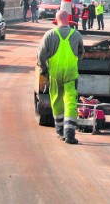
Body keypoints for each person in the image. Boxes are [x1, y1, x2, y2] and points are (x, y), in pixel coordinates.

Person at [37, 10, 85, 144]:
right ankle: (69, 134)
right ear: (68, 19)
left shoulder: (50, 35)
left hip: (55, 73)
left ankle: (59, 130)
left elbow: (41, 55)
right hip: (70, 73)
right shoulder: (76, 35)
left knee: (56, 99)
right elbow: (81, 54)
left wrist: (44, 69)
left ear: (56, 19)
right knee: (70, 100)